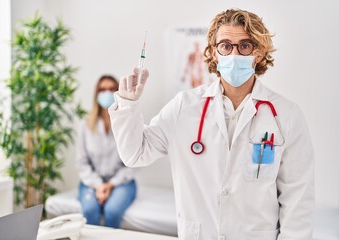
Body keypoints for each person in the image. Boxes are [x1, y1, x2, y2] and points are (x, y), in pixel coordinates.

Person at [109, 9, 314, 240]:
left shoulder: (285, 115)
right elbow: (135, 154)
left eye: (244, 45)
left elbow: (297, 200)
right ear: (214, 53)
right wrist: (127, 105)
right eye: (225, 45)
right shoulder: (183, 107)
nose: (234, 53)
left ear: (258, 53)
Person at [76, 75, 136, 227]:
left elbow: (133, 163)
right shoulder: (86, 125)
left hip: (121, 183)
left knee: (112, 211)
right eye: (102, 89)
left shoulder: (127, 124)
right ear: (96, 94)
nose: (107, 93)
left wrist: (110, 185)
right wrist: (99, 185)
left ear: (118, 92)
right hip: (91, 182)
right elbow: (82, 163)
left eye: (111, 89)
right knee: (89, 210)